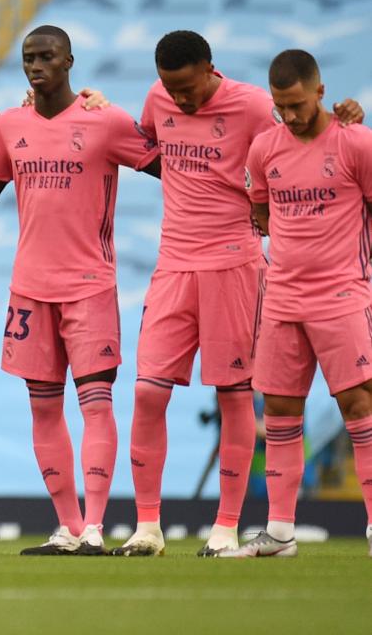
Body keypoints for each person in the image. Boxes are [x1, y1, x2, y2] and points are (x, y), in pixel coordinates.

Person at [117, 32, 362, 556]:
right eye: (170, 89)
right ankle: (147, 527)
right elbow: (143, 144)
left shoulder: (254, 105)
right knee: (146, 392)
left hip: (235, 265)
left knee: (234, 395)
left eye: (189, 89)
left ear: (211, 68)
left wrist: (348, 120)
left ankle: (225, 527)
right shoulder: (158, 99)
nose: (180, 100)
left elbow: (301, 143)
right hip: (173, 263)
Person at [0, 25, 160, 556]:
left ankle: (96, 526)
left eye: (46, 56)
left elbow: (168, 164)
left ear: (69, 60)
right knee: (43, 408)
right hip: (29, 289)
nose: (36, 65)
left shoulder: (106, 122)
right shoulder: (12, 126)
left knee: (96, 405)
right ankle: (70, 527)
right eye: (29, 57)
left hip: (89, 287)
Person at [222, 49, 372, 559]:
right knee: (283, 410)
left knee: (358, 404)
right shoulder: (264, 149)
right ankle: (281, 532)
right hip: (283, 296)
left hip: (343, 292)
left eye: (298, 104)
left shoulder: (356, 144)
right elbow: (259, 207)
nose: (289, 115)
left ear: (321, 92)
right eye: (281, 106)